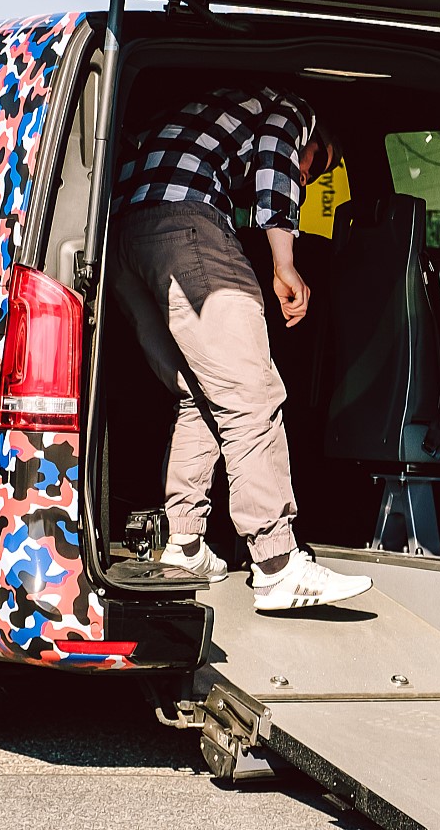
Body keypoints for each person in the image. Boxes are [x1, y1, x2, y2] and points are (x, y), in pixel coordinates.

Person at [111, 85, 373, 612]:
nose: (305, 179)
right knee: (251, 394)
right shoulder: (295, 107)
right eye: (314, 168)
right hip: (185, 222)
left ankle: (183, 545)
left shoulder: (200, 113)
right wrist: (284, 261)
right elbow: (279, 153)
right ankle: (277, 566)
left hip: (123, 237)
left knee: (199, 394)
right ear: (317, 142)